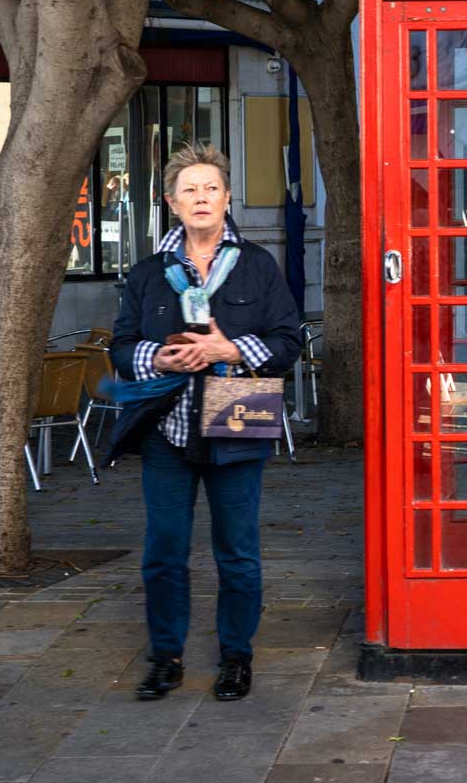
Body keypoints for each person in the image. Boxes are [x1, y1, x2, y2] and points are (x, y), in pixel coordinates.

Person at [108, 143, 301, 702]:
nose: (201, 197)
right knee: (164, 549)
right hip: (166, 423)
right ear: (171, 202)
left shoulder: (259, 266)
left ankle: (236, 659)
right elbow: (121, 348)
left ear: (227, 197)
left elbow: (289, 342)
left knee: (237, 550)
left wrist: (229, 348)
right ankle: (165, 657)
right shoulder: (148, 273)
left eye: (210, 187)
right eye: (189, 189)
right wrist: (158, 359)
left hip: (239, 414)